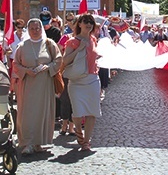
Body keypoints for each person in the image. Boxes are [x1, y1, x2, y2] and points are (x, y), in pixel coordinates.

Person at [13, 18, 63, 154]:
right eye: (32, 29)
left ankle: (39, 142)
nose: (35, 31)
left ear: (41, 29)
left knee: (43, 112)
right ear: (28, 30)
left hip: (45, 84)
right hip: (28, 85)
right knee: (28, 114)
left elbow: (58, 59)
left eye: (37, 28)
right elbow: (15, 65)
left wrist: (49, 67)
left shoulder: (49, 44)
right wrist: (25, 71)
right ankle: (27, 142)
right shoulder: (22, 46)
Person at [62, 13, 102, 151]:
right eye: (85, 21)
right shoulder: (72, 41)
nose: (88, 24)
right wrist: (78, 50)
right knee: (78, 113)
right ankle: (78, 129)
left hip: (92, 79)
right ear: (79, 24)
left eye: (90, 22)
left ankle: (87, 141)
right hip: (77, 81)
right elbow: (64, 61)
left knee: (92, 111)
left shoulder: (93, 39)